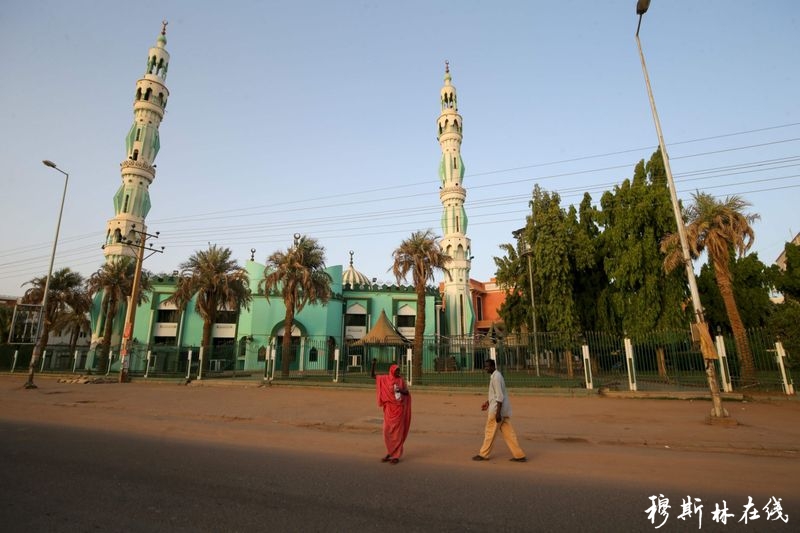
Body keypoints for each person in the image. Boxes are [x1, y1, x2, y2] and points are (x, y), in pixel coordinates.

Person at [473, 358, 527, 462]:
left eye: (487, 366)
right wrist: (488, 402)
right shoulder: (496, 376)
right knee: (509, 434)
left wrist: (497, 413)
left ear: (493, 366)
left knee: (489, 432)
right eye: (485, 366)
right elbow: (496, 395)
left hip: (497, 411)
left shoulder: (496, 378)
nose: (486, 368)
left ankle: (483, 454)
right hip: (502, 410)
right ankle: (519, 455)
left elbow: (500, 396)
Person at [371, 358, 412, 464]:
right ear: (392, 371)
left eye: (399, 371)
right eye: (397, 371)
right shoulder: (385, 379)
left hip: (398, 410)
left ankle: (396, 455)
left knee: (397, 433)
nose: (399, 373)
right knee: (386, 431)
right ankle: (390, 452)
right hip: (389, 410)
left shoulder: (400, 381)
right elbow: (373, 376)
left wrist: (401, 390)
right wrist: (373, 364)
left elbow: (407, 393)